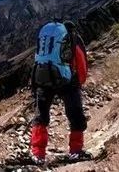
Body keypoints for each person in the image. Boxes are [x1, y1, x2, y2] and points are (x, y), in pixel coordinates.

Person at [30, 20, 91, 165]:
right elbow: (81, 61)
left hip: (43, 77)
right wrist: (79, 82)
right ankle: (75, 151)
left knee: (41, 115)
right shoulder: (72, 38)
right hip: (66, 80)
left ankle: (38, 153)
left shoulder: (47, 38)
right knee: (75, 114)